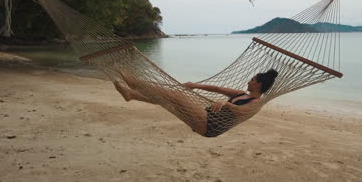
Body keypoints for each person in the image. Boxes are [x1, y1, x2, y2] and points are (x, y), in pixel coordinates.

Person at [114, 69, 278, 137]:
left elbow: (243, 112)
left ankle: (135, 83)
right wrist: (195, 86)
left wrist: (227, 104)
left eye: (252, 80)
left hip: (210, 125)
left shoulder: (256, 103)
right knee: (168, 100)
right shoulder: (242, 93)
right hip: (205, 117)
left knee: (176, 96)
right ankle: (132, 94)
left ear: (258, 85)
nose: (249, 81)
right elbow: (217, 89)